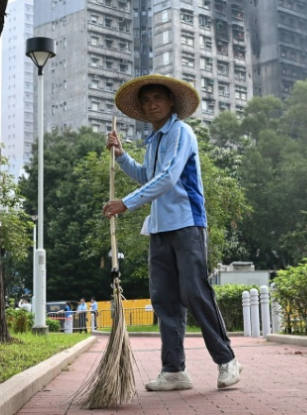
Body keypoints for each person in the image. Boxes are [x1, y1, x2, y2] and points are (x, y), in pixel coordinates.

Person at [103, 73, 242, 391]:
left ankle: (227, 360)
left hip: (187, 224)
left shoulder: (181, 133)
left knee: (194, 291)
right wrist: (122, 155)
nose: (152, 105)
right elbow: (146, 176)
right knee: (164, 299)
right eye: (147, 100)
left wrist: (124, 204)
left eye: (158, 99)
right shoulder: (154, 141)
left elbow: (166, 179)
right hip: (159, 227)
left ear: (170, 103)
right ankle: (175, 370)